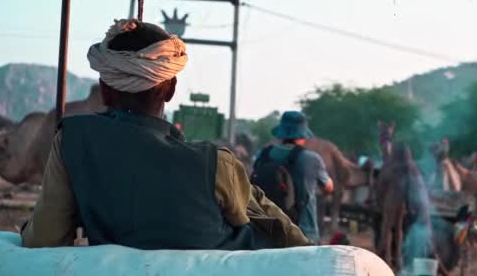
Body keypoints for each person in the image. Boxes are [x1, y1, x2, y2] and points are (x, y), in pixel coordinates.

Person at [21, 19, 309, 250]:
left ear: (105, 92)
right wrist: (311, 252)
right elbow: (274, 226)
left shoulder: (72, 140)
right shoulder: (216, 163)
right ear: (170, 91)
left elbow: (44, 238)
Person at [254, 111, 333, 243]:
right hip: (303, 233)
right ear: (303, 135)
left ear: (281, 134)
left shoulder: (263, 156)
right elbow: (328, 188)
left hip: (266, 232)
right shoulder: (311, 158)